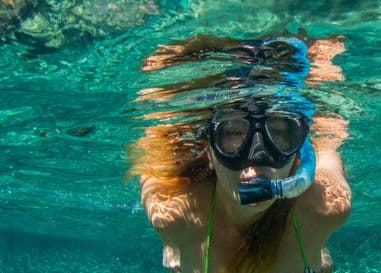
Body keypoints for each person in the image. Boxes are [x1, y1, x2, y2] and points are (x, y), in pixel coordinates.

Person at [127, 33, 351, 273]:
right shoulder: (175, 213)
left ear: (297, 151)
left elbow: (327, 151)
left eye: (278, 133)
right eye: (233, 134)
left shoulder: (322, 208)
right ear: (209, 152)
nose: (256, 163)